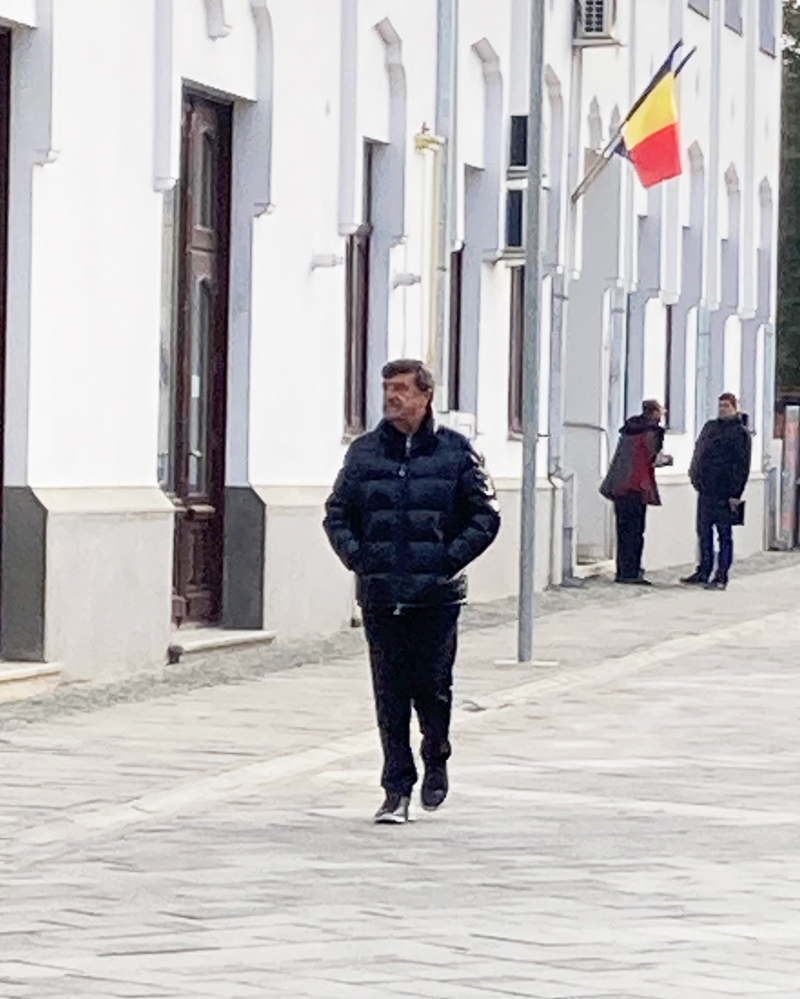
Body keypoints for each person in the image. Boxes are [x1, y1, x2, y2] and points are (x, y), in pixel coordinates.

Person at [324, 359, 500, 824]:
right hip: (381, 593)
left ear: (425, 396)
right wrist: (359, 558)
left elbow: (485, 515)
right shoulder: (364, 452)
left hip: (436, 596)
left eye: (402, 388)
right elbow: (337, 512)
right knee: (389, 693)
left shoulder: (455, 451)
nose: (391, 397)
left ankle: (436, 754)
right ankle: (396, 789)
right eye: (387, 388)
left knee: (433, 688)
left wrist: (446, 560)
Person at [682, 392, 752, 591]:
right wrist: (694, 475)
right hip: (706, 489)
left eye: (727, 406)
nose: (723, 409)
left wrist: (736, 493)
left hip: (726, 491)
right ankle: (703, 570)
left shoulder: (740, 432)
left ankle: (722, 575)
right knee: (704, 532)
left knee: (724, 534)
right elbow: (699, 451)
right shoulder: (710, 427)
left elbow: (742, 465)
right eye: (721, 406)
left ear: (735, 408)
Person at [600, 400, 670, 586]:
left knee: (623, 531)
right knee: (636, 532)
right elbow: (653, 457)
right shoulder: (652, 432)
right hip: (637, 486)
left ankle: (622, 571)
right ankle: (632, 572)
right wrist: (667, 460)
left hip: (619, 485)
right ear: (656, 413)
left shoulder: (629, 429)